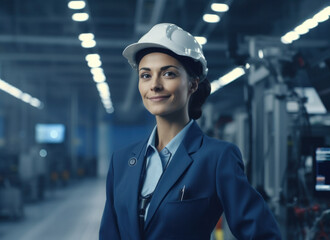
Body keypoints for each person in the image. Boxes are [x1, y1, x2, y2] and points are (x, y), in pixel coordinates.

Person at [99, 23, 282, 240]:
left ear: (193, 84)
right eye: (146, 75)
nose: (154, 85)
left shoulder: (216, 158)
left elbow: (262, 234)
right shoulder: (121, 162)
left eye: (168, 74)